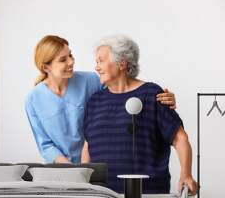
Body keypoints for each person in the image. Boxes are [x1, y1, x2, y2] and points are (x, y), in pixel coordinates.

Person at [81, 35, 198, 198]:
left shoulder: (152, 94)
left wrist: (187, 174)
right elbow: (88, 146)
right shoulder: (95, 101)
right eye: (96, 62)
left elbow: (180, 138)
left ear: (122, 63)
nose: (96, 67)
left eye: (101, 61)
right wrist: (83, 183)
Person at [25, 35, 176, 164]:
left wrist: (156, 98)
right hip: (60, 170)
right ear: (46, 68)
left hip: (98, 167)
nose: (71, 62)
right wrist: (71, 169)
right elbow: (45, 145)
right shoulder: (33, 100)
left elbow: (123, 93)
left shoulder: (91, 81)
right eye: (63, 59)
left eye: (70, 55)